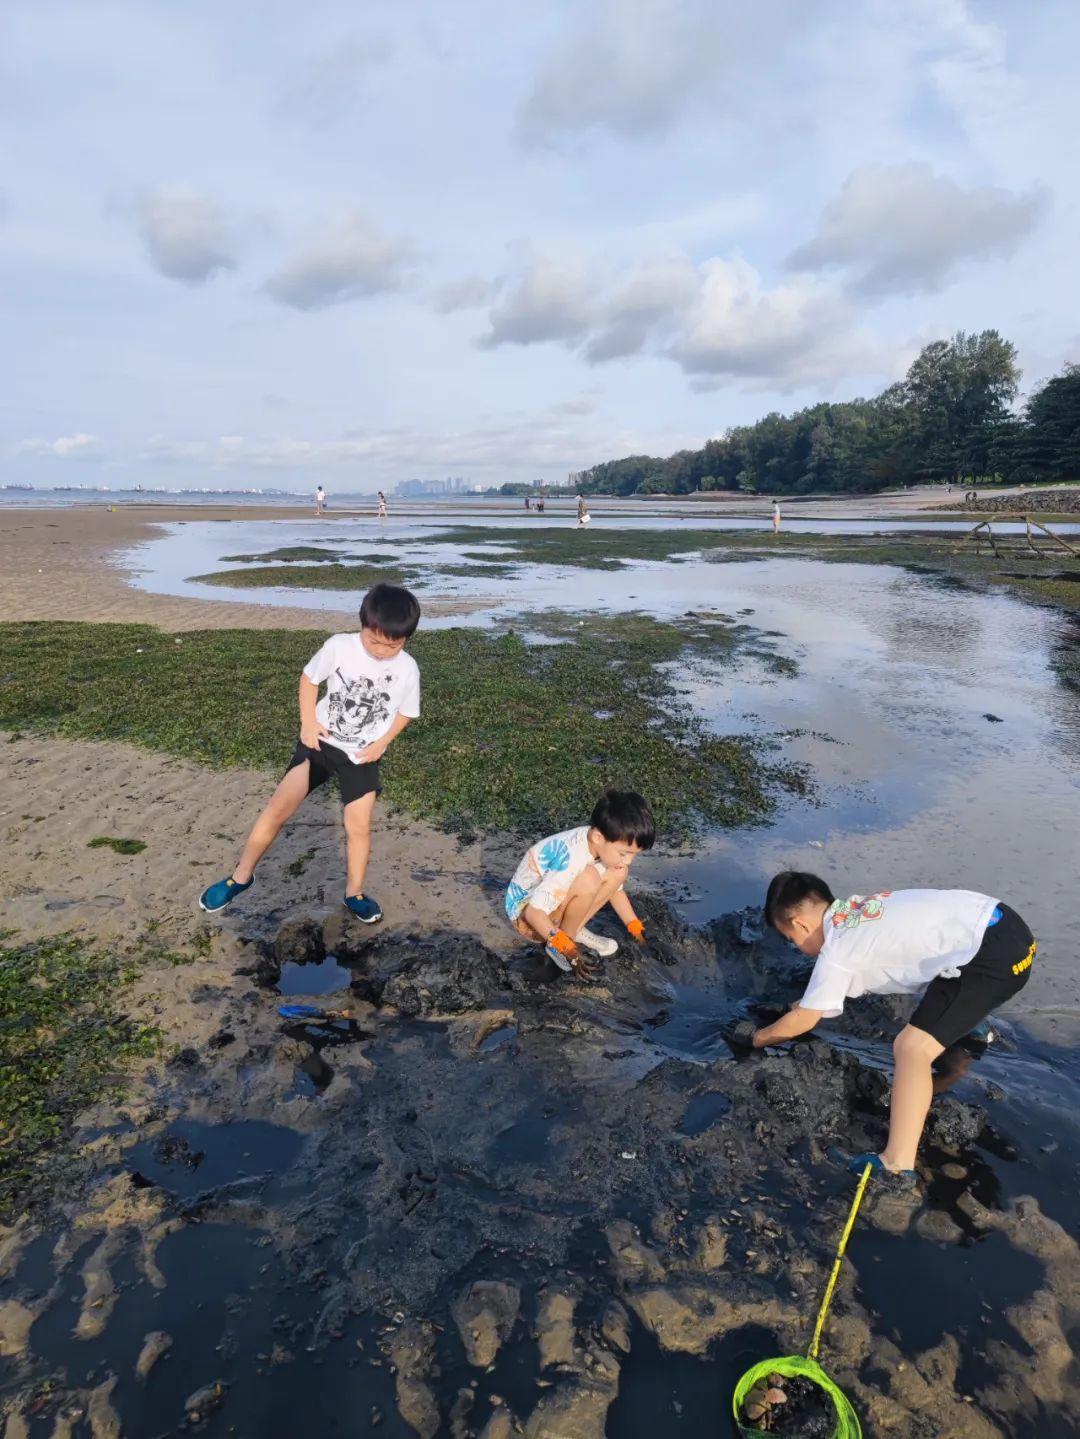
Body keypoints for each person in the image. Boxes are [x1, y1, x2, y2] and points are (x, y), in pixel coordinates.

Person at [747, 873, 1035, 1183]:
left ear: (801, 925)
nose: (796, 946)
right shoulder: (857, 910)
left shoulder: (839, 950)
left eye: (791, 940)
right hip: (1005, 925)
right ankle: (970, 1026)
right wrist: (803, 1004)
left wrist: (755, 1038)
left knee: (911, 1048)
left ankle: (896, 1162)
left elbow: (806, 1019)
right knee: (936, 974)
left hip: (992, 961)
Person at [198, 583, 422, 925]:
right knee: (277, 809)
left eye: (393, 645)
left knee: (358, 827)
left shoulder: (407, 668)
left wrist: (383, 742)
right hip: (319, 745)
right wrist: (307, 722)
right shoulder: (339, 646)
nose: (381, 651)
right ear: (362, 624)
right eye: (374, 641)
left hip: (361, 756)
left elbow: (407, 711)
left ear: (405, 639)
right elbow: (309, 679)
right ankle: (241, 877)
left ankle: (354, 893)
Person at [505, 789, 654, 981]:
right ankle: (562, 941)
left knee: (618, 872)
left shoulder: (597, 842)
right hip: (527, 919)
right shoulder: (570, 859)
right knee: (590, 879)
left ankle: (574, 929)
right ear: (598, 838)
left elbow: (615, 892)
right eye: (624, 853)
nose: (629, 861)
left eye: (635, 854)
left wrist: (636, 929)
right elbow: (534, 913)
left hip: (549, 906)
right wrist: (567, 948)